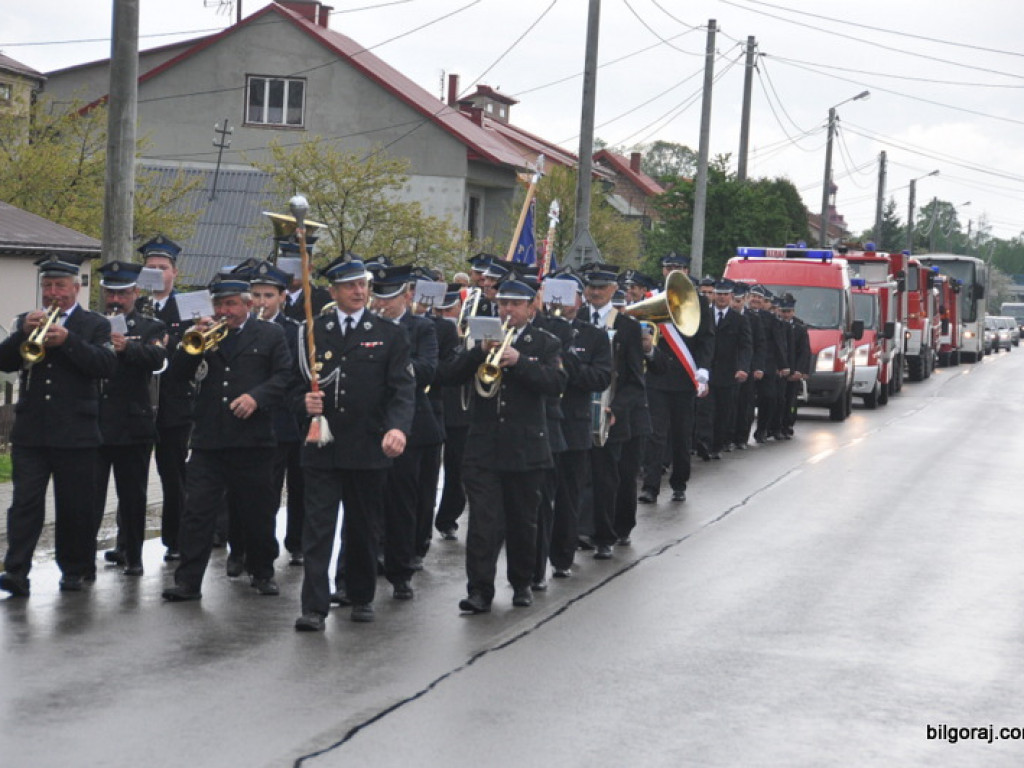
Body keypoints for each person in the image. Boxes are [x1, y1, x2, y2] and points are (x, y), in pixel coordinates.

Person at [294, 255, 415, 631]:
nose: (360, 291)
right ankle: (314, 607)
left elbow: (402, 390)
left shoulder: (390, 333)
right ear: (333, 291)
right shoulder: (312, 331)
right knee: (317, 530)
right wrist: (304, 403)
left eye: (363, 284)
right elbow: (291, 385)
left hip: (367, 447)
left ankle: (361, 595)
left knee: (363, 529)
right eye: (350, 285)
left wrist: (398, 429)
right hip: (323, 446)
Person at [161, 274, 293, 602]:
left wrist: (257, 397)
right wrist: (190, 343)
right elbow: (177, 376)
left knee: (257, 512)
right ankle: (188, 581)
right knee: (197, 513)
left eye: (231, 304)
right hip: (209, 439)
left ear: (248, 305)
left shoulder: (271, 334)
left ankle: (262, 572)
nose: (224, 310)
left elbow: (284, 376)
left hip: (253, 441)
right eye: (219, 304)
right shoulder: (203, 334)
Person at [0, 256, 117, 597]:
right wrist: (20, 334)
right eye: (47, 286)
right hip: (32, 432)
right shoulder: (26, 320)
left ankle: (75, 570)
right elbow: (5, 361)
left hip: (76, 432)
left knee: (75, 506)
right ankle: (17, 571)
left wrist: (67, 340)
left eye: (60, 287)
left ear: (76, 289)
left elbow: (106, 365)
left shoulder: (94, 324)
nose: (52, 294)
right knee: (24, 504)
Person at [453, 274, 566, 613]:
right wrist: (476, 354)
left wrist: (519, 362)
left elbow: (556, 382)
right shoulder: (479, 339)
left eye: (515, 304)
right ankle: (479, 591)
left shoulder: (545, 343)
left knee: (522, 521)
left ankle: (521, 583)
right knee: (483, 524)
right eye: (502, 303)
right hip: (484, 446)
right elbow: (448, 375)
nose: (507, 310)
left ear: (531, 308)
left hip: (526, 446)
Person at [365, 263, 440, 601]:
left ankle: (402, 566)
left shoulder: (422, 327)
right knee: (367, 499)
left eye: (391, 297)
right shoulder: (367, 325)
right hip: (368, 423)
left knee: (402, 502)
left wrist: (389, 364)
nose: (384, 303)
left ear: (408, 295)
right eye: (379, 296)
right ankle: (366, 562)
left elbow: (427, 369)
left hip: (409, 423)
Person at [93, 261, 167, 576]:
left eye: (122, 293)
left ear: (135, 293)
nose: (116, 299)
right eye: (111, 292)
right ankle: (83, 559)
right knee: (90, 497)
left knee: (133, 496)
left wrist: (127, 350)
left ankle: (133, 556)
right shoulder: (92, 325)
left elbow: (157, 359)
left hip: (132, 426)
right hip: (95, 424)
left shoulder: (151, 327)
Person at [542, 270, 612, 579]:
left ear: (579, 300)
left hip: (573, 424)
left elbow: (599, 378)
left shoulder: (593, 335)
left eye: (566, 295)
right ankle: (534, 560)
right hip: (540, 424)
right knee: (539, 498)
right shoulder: (537, 329)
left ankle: (562, 557)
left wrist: (568, 356)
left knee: (568, 496)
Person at [581, 262, 648, 557]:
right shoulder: (577, 319)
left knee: (607, 477)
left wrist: (616, 408)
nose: (595, 292)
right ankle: (579, 530)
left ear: (612, 291)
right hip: (576, 413)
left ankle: (604, 536)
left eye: (601, 288)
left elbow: (635, 380)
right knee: (576, 476)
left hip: (610, 415)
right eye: (591, 287)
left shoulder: (627, 327)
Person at [639, 253, 714, 505]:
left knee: (681, 435)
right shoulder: (653, 299)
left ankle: (679, 482)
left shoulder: (699, 300)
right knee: (655, 434)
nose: (671, 270)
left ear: (684, 270)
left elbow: (706, 338)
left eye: (677, 267)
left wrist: (703, 369)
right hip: (657, 375)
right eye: (667, 267)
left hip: (685, 376)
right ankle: (650, 486)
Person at [138, 235, 193, 561]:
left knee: (173, 475)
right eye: (150, 268)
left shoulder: (187, 306)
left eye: (163, 268)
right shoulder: (135, 304)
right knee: (131, 476)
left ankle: (176, 539)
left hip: (174, 401)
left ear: (174, 272)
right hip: (138, 402)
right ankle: (127, 542)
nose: (157, 273)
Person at [707, 279, 752, 457]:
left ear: (731, 296)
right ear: (714, 295)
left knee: (723, 412)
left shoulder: (739, 320)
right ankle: (705, 443)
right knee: (706, 411)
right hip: (707, 372)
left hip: (728, 374)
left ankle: (717, 445)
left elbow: (745, 346)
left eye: (725, 294)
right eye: (719, 294)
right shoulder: (704, 316)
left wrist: (743, 368)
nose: (722, 298)